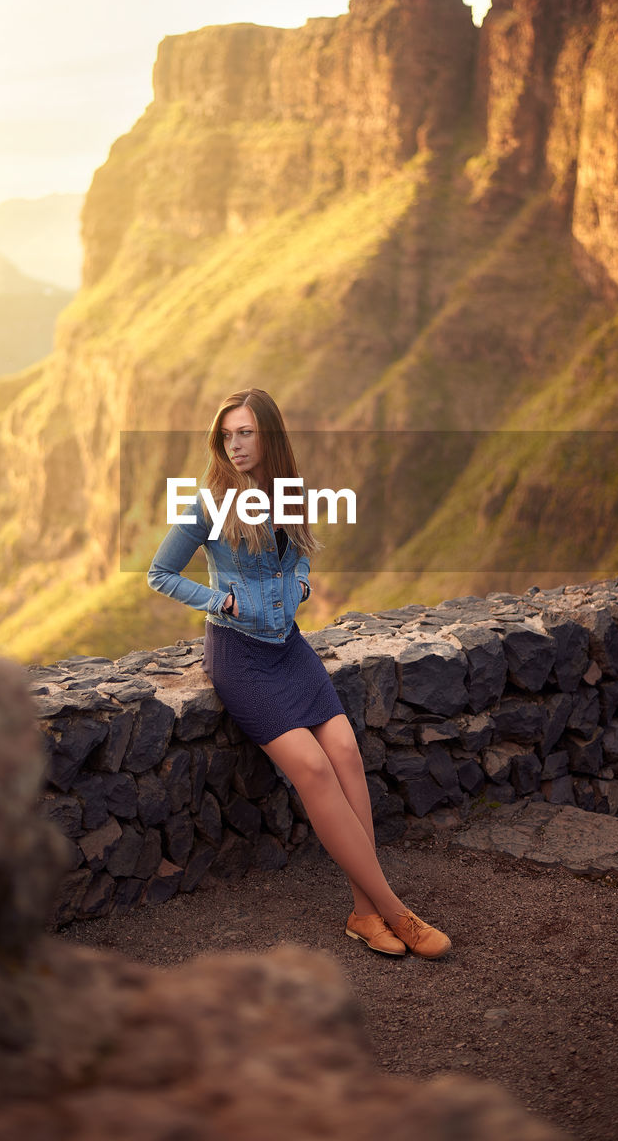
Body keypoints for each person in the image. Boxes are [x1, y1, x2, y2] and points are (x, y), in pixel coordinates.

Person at [147, 388, 451, 959]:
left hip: (289, 647)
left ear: (269, 438)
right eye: (227, 435)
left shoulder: (292, 491)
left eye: (246, 434)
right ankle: (396, 912)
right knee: (312, 767)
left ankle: (364, 913)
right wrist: (221, 602)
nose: (234, 445)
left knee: (345, 752)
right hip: (238, 656)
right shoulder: (209, 502)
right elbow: (159, 573)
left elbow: (301, 552)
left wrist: (304, 583)